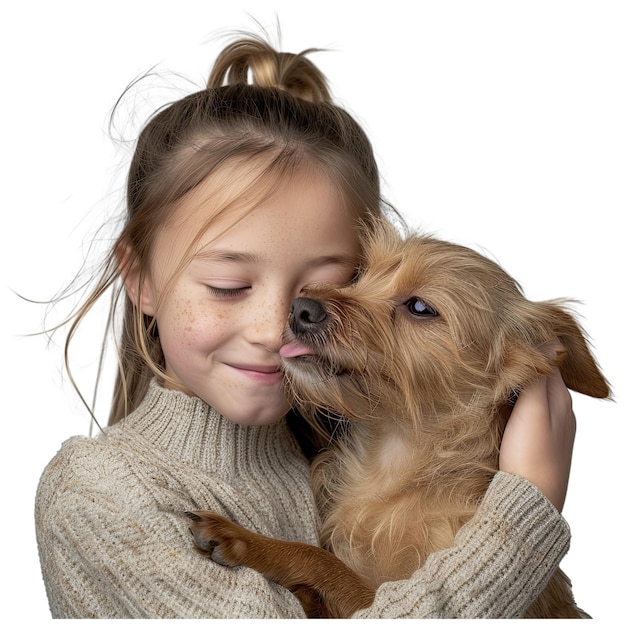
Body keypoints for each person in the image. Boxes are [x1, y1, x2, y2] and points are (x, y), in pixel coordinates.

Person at [35, 36, 575, 618]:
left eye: (322, 295)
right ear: (138, 277)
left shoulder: (336, 460)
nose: (279, 329)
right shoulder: (100, 493)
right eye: (229, 287)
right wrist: (523, 520)